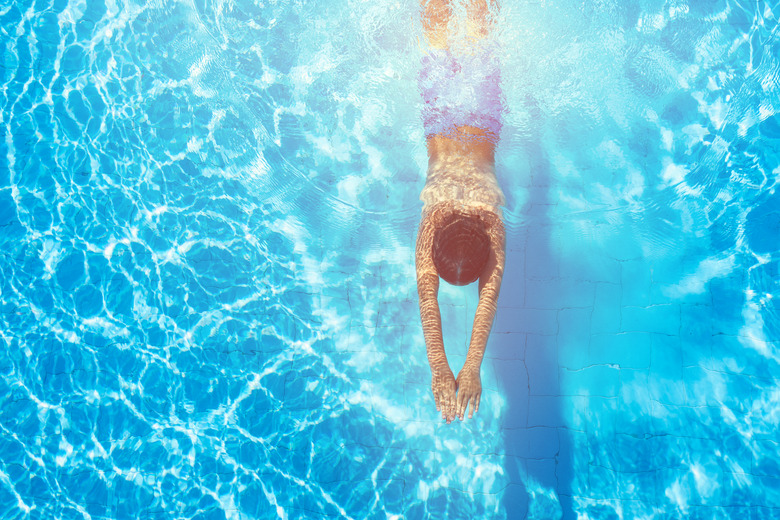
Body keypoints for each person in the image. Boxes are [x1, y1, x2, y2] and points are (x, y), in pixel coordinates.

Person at [416, 0, 506, 423]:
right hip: (439, 118)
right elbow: (426, 293)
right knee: (435, 32)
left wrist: (467, 367)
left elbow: (488, 294)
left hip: (484, 118)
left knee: (480, 28)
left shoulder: (491, 215)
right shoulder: (433, 210)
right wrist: (443, 368)